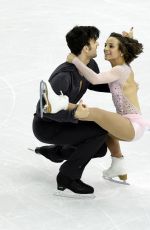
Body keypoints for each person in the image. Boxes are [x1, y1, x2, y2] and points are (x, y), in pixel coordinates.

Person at [41, 29, 150, 183]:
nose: (105, 48)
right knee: (99, 128)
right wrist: (127, 41)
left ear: (122, 52)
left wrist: (75, 60)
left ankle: (62, 104)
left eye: (111, 46)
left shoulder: (120, 70)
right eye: (105, 44)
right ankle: (118, 165)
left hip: (133, 125)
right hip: (126, 123)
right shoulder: (121, 68)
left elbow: (95, 79)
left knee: (96, 113)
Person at [32, 26, 111, 198]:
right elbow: (46, 110)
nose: (98, 44)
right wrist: (76, 114)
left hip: (66, 121)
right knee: (98, 133)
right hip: (47, 126)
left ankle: (56, 153)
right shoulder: (64, 76)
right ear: (86, 48)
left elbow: (95, 82)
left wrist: (120, 86)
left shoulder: (90, 65)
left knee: (100, 148)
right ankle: (67, 178)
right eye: (94, 41)